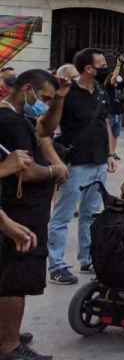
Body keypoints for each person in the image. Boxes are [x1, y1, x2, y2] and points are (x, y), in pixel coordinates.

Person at [0, 70, 68, 360]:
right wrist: (53, 171)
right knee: (16, 278)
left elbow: (44, 130)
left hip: (25, 212)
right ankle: (10, 345)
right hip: (19, 213)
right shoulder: (9, 121)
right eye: (44, 98)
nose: (45, 103)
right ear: (27, 89)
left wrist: (58, 102)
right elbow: (23, 171)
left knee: (15, 278)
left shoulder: (19, 116)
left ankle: (8, 333)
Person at [47, 48, 119, 286]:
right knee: (63, 216)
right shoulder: (67, 93)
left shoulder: (99, 91)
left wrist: (110, 154)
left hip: (98, 162)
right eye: (100, 64)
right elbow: (50, 126)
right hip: (75, 163)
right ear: (88, 69)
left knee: (91, 214)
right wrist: (59, 98)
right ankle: (57, 265)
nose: (104, 68)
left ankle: (86, 258)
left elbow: (105, 123)